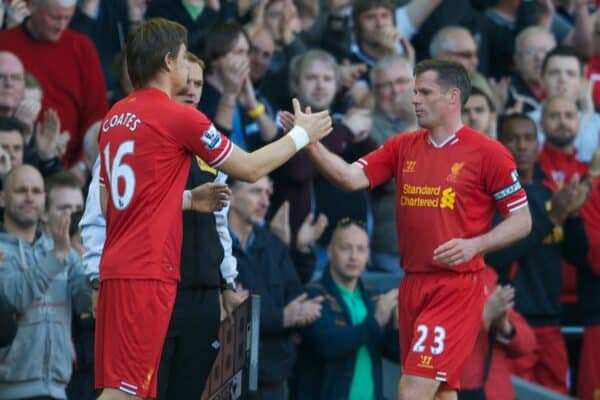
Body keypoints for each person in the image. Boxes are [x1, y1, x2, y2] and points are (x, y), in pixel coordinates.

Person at [94, 18, 332, 400]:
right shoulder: (177, 115)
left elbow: (113, 203)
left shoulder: (114, 118)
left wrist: (189, 199)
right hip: (148, 272)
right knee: (126, 394)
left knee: (127, 389)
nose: (191, 68)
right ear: (169, 61)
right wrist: (301, 134)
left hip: (116, 269)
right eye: (187, 57)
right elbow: (250, 169)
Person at [302, 59, 532, 400]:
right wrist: (308, 142)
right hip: (412, 282)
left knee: (412, 390)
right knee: (440, 392)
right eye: (414, 92)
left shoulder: (488, 153)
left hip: (454, 286)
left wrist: (475, 245)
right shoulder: (402, 145)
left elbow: (522, 219)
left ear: (453, 98)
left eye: (424, 92)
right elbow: (350, 177)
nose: (415, 100)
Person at [228, 176, 324, 399]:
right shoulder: (213, 244)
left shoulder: (273, 244)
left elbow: (295, 296)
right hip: (227, 377)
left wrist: (291, 315)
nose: (265, 202)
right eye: (255, 192)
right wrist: (282, 318)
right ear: (230, 195)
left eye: (268, 194)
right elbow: (227, 316)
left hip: (273, 375)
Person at [0, 165, 88, 400]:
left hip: (58, 390)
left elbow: (86, 304)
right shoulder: (57, 253)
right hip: (10, 391)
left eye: (37, 191)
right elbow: (12, 298)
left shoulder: (62, 251)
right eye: (21, 190)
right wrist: (55, 259)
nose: (30, 197)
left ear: (44, 200)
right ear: (2, 198)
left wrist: (98, 268)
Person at [292, 219, 399, 400]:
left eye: (361, 249)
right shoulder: (313, 295)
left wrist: (398, 328)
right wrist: (376, 322)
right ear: (330, 252)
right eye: (345, 248)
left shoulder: (372, 298)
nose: (353, 256)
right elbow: (329, 345)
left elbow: (395, 354)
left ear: (368, 254)